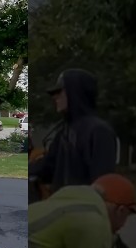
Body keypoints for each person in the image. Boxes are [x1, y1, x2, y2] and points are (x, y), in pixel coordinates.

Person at [36, 69, 118, 197]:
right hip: (60, 211)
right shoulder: (63, 132)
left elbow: (102, 183)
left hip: (85, 213)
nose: (55, 96)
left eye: (59, 91)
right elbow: (47, 167)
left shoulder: (98, 131)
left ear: (75, 93)